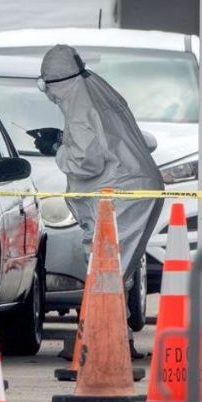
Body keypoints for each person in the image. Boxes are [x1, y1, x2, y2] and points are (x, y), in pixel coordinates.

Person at [34, 45, 165, 356]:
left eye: (47, 85)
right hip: (135, 189)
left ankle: (95, 344)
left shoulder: (77, 102)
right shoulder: (96, 88)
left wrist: (57, 149)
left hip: (121, 194)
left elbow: (86, 160)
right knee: (116, 269)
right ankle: (116, 341)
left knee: (105, 266)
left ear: (55, 81)